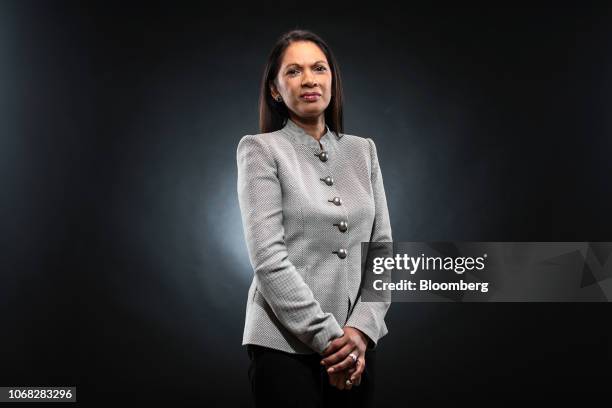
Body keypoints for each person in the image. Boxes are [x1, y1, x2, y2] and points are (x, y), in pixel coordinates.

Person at [236, 28, 393, 407]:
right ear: (275, 89)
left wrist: (360, 330)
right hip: (283, 347)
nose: (309, 79)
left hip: (357, 348)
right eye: (293, 71)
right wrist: (332, 341)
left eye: (319, 68)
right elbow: (268, 260)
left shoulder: (363, 151)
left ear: (332, 81)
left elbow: (383, 249)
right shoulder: (261, 150)